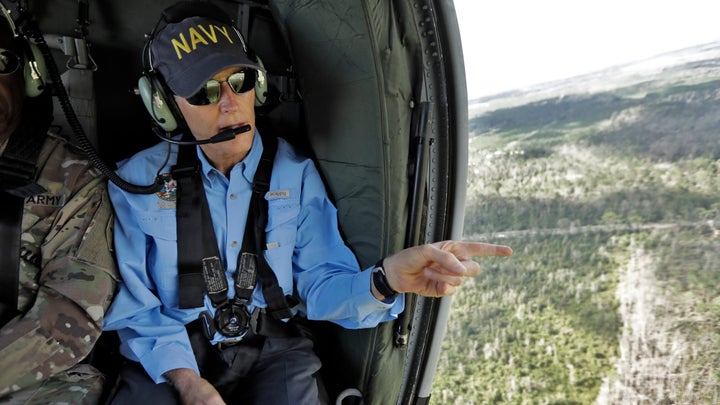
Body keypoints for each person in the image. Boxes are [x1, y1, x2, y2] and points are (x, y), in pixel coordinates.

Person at [102, 2, 512, 404]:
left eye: (240, 81)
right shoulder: (135, 183)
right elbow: (138, 310)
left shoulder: (293, 173)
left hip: (273, 349)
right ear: (165, 105)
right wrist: (189, 383)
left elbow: (320, 282)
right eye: (204, 91)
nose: (230, 103)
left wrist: (385, 279)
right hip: (171, 356)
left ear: (258, 86)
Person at [0, 5, 118, 404]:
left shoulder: (75, 180)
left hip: (37, 382)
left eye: (1, 61)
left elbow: (68, 321)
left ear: (30, 74)